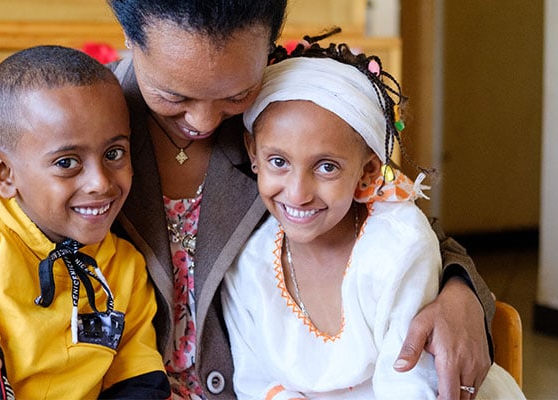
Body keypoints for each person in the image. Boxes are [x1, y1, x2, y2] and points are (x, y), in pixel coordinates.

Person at [0, 2, 495, 399]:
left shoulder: (292, 122)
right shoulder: (65, 121)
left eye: (234, 93)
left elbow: (399, 225)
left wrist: (461, 292)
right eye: (173, 95)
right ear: (129, 43)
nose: (206, 121)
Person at [222, 40, 525, 399]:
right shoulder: (247, 263)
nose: (298, 192)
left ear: (367, 170)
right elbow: (256, 381)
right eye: (278, 162)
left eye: (326, 167)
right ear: (253, 152)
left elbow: (411, 386)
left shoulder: (397, 246)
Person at [0, 45, 169, 399]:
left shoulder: (127, 266)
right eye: (67, 162)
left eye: (114, 154)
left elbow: (138, 383)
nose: (100, 183)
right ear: (3, 173)